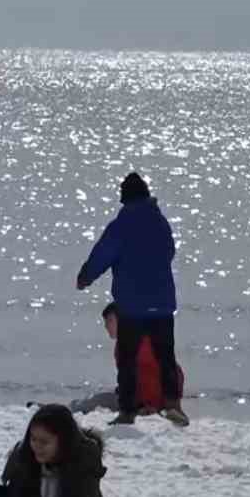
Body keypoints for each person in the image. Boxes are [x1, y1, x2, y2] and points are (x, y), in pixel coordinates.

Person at [76, 172, 188, 427]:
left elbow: (102, 255)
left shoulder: (121, 224)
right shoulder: (161, 222)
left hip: (132, 307)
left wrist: (85, 277)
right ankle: (173, 405)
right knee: (165, 356)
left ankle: (127, 411)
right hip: (161, 305)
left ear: (124, 198)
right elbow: (169, 251)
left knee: (127, 360)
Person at [70, 302, 186, 418]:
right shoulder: (123, 345)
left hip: (147, 405)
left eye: (110, 321)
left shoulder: (141, 344)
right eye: (105, 322)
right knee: (92, 400)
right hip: (139, 402)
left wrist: (152, 405)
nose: (106, 326)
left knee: (87, 404)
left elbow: (172, 372)